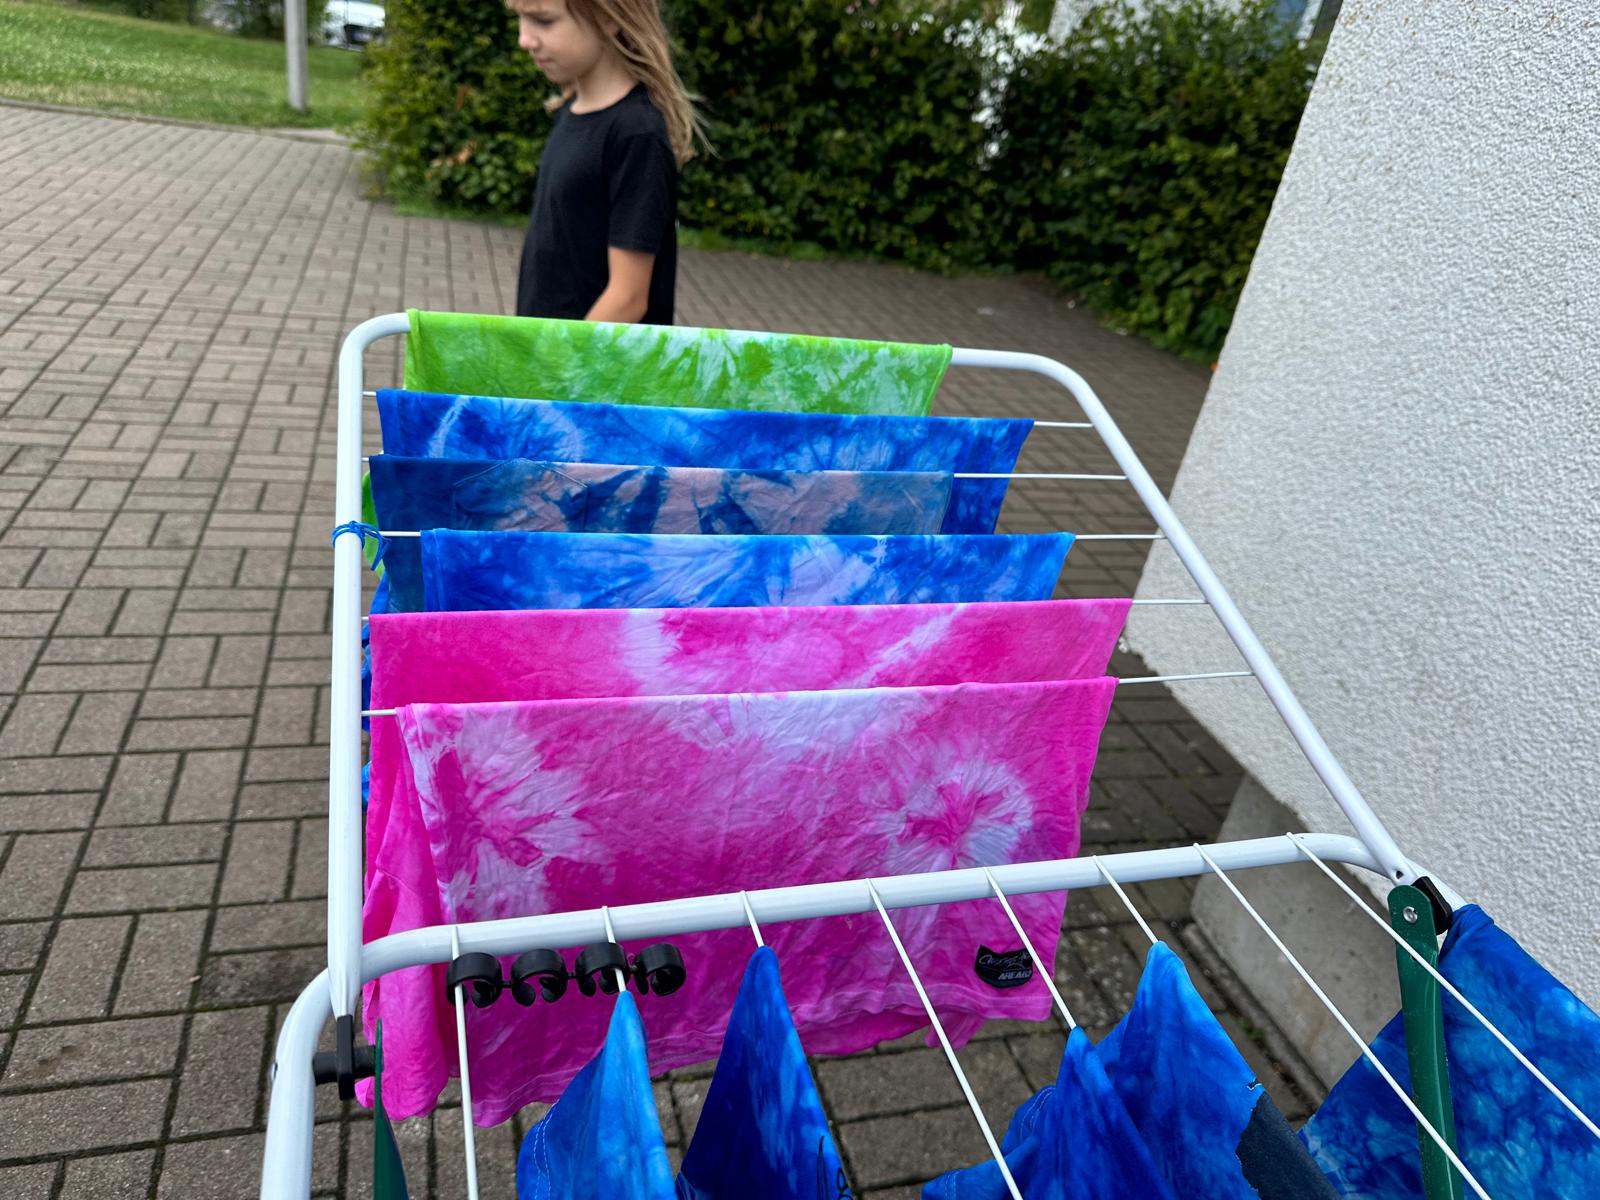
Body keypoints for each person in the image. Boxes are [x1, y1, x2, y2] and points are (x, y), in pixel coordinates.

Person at [509, 0, 702, 326]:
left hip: (584, 358)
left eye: (543, 21)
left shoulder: (636, 134)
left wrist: (560, 358)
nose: (524, 39)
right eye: (521, 19)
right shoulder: (571, 109)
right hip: (548, 350)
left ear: (608, 18)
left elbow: (628, 299)